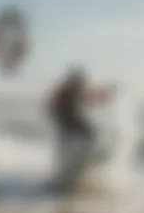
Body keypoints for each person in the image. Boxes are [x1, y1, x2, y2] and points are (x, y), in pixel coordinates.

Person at [46, 66, 116, 194]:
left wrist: (107, 93)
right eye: (80, 82)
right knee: (92, 142)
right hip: (73, 131)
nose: (82, 85)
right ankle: (73, 177)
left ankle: (74, 177)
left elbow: (94, 97)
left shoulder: (67, 92)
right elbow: (93, 96)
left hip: (70, 132)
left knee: (91, 144)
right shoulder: (66, 92)